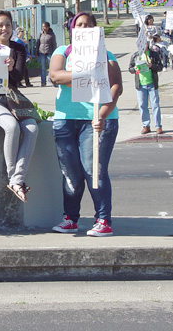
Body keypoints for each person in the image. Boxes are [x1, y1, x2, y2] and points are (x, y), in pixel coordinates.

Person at [49, 12, 123, 237]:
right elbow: (55, 75)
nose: (83, 28)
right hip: (65, 119)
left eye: (88, 25)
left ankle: (103, 219)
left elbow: (116, 86)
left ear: (95, 30)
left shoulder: (107, 55)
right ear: (72, 29)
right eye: (79, 25)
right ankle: (70, 218)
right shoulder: (63, 51)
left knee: (95, 171)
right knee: (70, 172)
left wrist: (102, 113)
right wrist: (86, 72)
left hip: (97, 121)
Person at [0, 11, 38, 202]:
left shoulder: (18, 48)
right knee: (11, 126)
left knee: (32, 128)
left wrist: (9, 68)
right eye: (0, 25)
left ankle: (16, 179)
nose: (5, 29)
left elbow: (18, 78)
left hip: (12, 99)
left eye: (8, 25)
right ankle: (15, 179)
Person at [129, 40, 164, 134]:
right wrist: (134, 69)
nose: (143, 46)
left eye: (145, 44)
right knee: (142, 105)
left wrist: (151, 65)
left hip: (152, 83)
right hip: (140, 84)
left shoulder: (153, 54)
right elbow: (130, 68)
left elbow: (160, 67)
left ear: (148, 44)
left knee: (155, 104)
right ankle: (146, 125)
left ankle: (158, 126)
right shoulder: (136, 55)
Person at [35, 21, 57, 87]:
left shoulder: (51, 34)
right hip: (42, 52)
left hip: (49, 52)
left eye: (45, 26)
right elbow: (38, 43)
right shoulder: (41, 33)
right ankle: (43, 82)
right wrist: (36, 52)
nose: (43, 28)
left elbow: (54, 44)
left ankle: (53, 81)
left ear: (48, 27)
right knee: (43, 68)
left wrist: (54, 53)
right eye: (43, 26)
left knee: (51, 68)